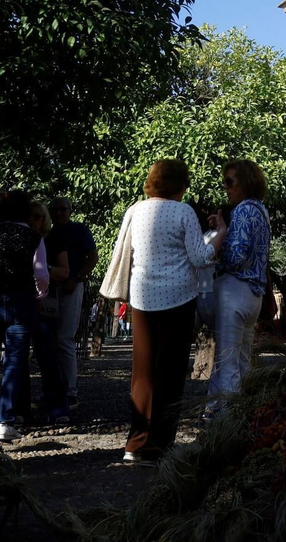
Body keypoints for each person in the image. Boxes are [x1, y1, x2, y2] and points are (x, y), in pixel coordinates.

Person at [99, 159, 225, 464]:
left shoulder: (135, 210)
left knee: (142, 372)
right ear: (181, 184)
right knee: (170, 373)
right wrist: (220, 233)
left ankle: (135, 443)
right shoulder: (184, 212)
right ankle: (159, 445)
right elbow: (200, 258)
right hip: (178, 298)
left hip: (142, 298)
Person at [0, 190, 48, 441]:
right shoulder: (34, 237)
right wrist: (39, 296)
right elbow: (41, 275)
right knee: (14, 361)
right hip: (21, 303)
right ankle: (5, 421)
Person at [206, 160, 270, 416]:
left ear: (245, 181)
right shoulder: (261, 210)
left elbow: (236, 258)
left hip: (234, 292)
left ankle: (227, 422)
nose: (226, 187)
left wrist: (216, 245)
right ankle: (232, 415)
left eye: (229, 181)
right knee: (242, 362)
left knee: (228, 362)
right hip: (253, 295)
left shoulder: (243, 210)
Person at [45, 197, 98, 411]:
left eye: (63, 209)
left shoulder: (79, 230)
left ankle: (70, 390)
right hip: (50, 291)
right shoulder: (47, 234)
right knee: (50, 338)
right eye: (55, 209)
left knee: (65, 337)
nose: (59, 213)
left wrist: (75, 279)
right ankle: (54, 388)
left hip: (70, 288)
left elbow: (92, 257)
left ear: (70, 211)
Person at [29, 199, 72, 423]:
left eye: (38, 216)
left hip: (46, 302)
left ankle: (57, 407)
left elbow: (64, 271)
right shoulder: (22, 237)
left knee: (48, 354)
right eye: (29, 215)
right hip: (23, 301)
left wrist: (43, 268)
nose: (33, 220)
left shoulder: (54, 239)